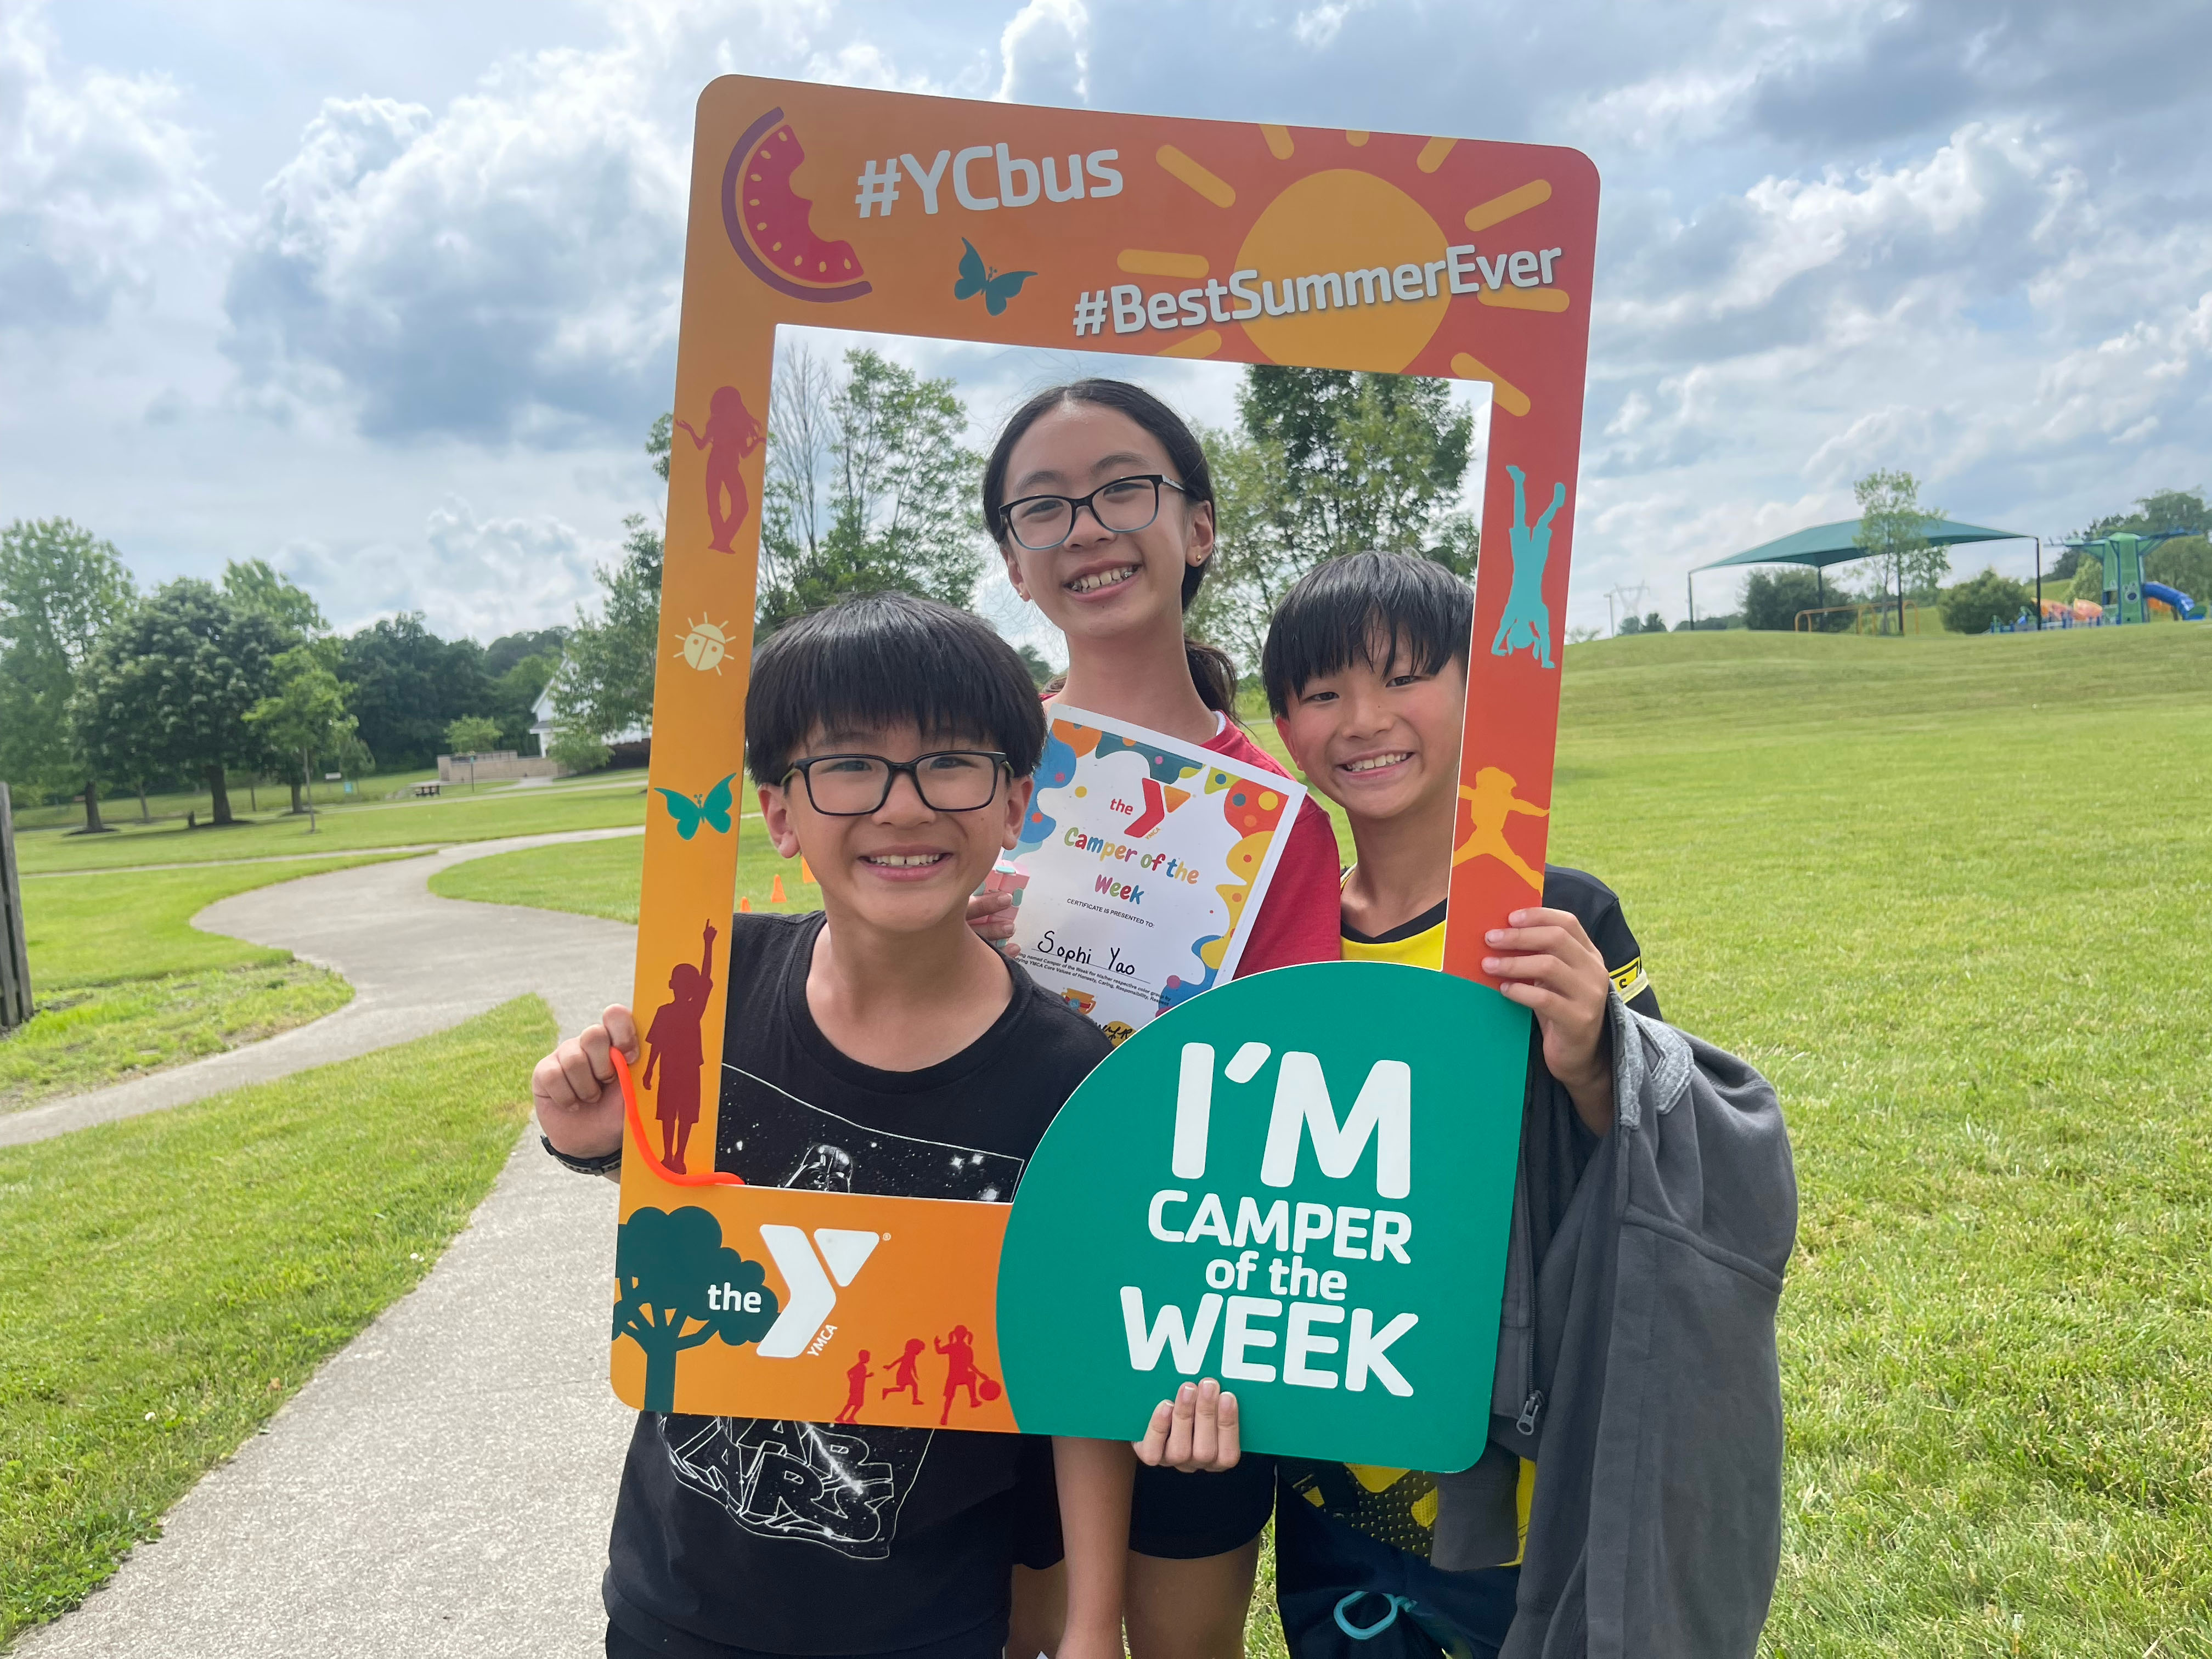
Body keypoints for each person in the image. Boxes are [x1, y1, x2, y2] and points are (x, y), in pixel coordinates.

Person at [533, 592, 1135, 1659]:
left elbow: (1081, 1377)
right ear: (780, 810)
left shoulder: (1070, 1079)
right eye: (849, 766)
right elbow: (678, 1222)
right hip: (680, 1602)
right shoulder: (710, 986)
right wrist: (598, 1142)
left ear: (1014, 802)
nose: (902, 808)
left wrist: (1088, 1626)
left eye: (951, 763)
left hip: (928, 1620)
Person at [1260, 551, 1792, 1657]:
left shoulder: (1560, 914)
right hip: (1325, 1467)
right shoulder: (1280, 928)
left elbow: (1662, 1155)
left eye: (1404, 676)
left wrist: (1598, 1047)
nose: (1364, 718)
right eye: (1321, 693)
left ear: (1485, 693)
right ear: (1284, 722)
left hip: (1520, 1473)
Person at [970, 378, 1345, 1659]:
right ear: (1015, 566)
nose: (1086, 530)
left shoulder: (1279, 818)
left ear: (1198, 527)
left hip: (1194, 1309)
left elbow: (1300, 1076)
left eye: (1123, 489)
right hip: (993, 1289)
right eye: (1044, 509)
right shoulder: (964, 774)